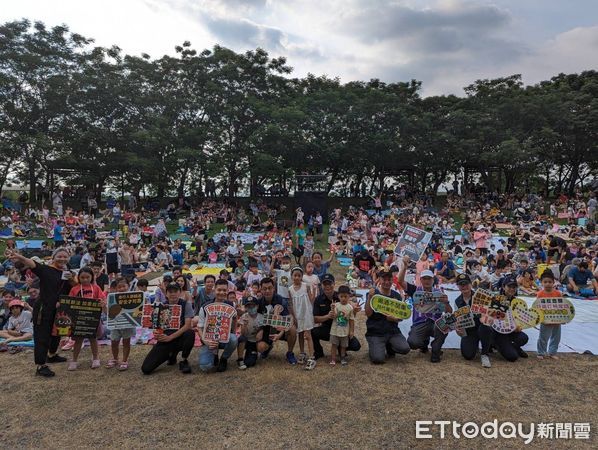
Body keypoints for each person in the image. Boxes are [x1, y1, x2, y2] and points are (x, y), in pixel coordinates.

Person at [7, 248, 74, 377]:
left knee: (57, 332)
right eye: (59, 256)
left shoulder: (67, 273)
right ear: (53, 257)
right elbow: (32, 263)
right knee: (42, 335)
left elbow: (72, 287)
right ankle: (40, 365)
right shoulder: (45, 270)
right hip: (44, 307)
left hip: (59, 308)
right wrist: (19, 257)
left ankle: (52, 355)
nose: (62, 259)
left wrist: (71, 279)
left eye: (65, 257)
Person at [141, 283, 195, 374]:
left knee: (190, 333)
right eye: (170, 292)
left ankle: (184, 360)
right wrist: (157, 333)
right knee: (146, 369)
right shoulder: (161, 306)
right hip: (165, 339)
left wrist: (171, 337)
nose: (173, 294)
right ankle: (171, 355)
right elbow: (156, 326)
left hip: (180, 337)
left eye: (175, 291)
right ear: (166, 294)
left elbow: (187, 325)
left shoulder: (186, 305)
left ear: (180, 292)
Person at [364, 263, 411, 364]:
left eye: (389, 279)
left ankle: (389, 346)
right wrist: (369, 298)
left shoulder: (397, 296)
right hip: (375, 332)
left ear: (392, 279)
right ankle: (374, 346)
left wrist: (394, 319)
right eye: (384, 279)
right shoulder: (373, 294)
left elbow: (401, 316)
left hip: (392, 331)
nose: (386, 282)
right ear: (379, 280)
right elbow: (368, 314)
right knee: (378, 359)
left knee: (405, 349)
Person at [402, 268, 452, 363]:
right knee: (412, 343)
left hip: (435, 323)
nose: (427, 281)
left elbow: (449, 312)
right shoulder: (415, 291)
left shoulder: (439, 292)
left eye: (429, 278)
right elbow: (400, 282)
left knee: (446, 324)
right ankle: (424, 343)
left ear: (433, 280)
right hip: (420, 323)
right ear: (420, 280)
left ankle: (435, 350)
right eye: (424, 278)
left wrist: (446, 303)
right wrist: (404, 266)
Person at [67, 267, 107, 370]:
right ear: (78, 277)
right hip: (79, 319)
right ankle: (74, 360)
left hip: (93, 318)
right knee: (78, 340)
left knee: (93, 339)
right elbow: (69, 302)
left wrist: (102, 303)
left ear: (92, 277)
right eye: (82, 277)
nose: (85, 279)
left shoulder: (96, 288)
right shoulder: (74, 289)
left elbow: (103, 299)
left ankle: (96, 358)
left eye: (87, 277)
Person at [196, 279, 238, 373]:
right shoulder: (205, 307)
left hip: (224, 337)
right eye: (219, 290)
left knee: (234, 339)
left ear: (227, 291)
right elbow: (199, 327)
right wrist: (206, 341)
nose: (222, 292)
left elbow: (235, 318)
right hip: (210, 339)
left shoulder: (231, 304)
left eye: (224, 290)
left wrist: (233, 332)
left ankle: (224, 358)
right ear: (214, 290)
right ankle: (214, 355)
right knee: (205, 366)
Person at [453, 273, 493, 368]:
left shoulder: (480, 296)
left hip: (482, 327)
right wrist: (458, 328)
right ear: (458, 286)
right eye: (461, 284)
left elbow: (489, 314)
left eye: (466, 283)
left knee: (485, 328)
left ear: (471, 284)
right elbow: (459, 321)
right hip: (469, 331)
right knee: (468, 355)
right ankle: (476, 345)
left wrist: (486, 317)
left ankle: (485, 354)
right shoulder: (457, 301)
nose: (464, 286)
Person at [256, 277, 298, 364]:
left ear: (274, 288)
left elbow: (288, 322)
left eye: (270, 288)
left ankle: (290, 353)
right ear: (261, 289)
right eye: (265, 288)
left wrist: (279, 334)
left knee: (292, 329)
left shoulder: (281, 300)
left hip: (280, 328)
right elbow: (258, 320)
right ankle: (268, 346)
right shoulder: (259, 303)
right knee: (260, 345)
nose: (267, 291)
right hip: (267, 329)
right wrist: (260, 331)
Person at [288, 266, 317, 370]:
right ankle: (302, 352)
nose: (296, 277)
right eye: (295, 275)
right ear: (291, 276)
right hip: (297, 315)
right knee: (300, 334)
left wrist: (314, 290)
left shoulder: (306, 286)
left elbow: (311, 299)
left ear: (301, 277)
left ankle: (312, 356)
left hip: (306, 314)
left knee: (308, 335)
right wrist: (293, 316)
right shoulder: (290, 289)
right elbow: (290, 304)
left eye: (299, 275)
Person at [106, 277, 135, 371]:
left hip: (128, 323)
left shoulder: (134, 297)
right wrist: (103, 307)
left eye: (124, 286)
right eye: (119, 287)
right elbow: (107, 313)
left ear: (128, 286)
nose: (122, 289)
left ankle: (124, 360)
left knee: (126, 342)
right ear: (116, 288)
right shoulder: (112, 298)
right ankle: (115, 358)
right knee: (114, 341)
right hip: (115, 323)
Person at [536, 270, 562, 360]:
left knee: (556, 337)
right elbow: (537, 307)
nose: (547, 284)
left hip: (556, 319)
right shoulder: (540, 294)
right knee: (543, 337)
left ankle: (552, 352)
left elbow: (562, 306)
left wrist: (563, 318)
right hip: (545, 320)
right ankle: (541, 352)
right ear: (542, 283)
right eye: (545, 282)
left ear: (553, 282)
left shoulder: (558, 293)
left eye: (550, 282)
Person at [329, 285, 355, 366]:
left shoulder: (350, 308)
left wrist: (351, 331)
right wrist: (332, 308)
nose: (343, 298)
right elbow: (334, 316)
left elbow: (351, 320)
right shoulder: (336, 305)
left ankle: (342, 358)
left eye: (345, 296)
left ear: (349, 296)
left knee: (343, 346)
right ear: (338, 296)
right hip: (335, 330)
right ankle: (333, 359)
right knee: (334, 345)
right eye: (341, 296)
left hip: (345, 331)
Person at [236, 297, 263, 370]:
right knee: (241, 338)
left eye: (253, 306)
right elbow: (243, 334)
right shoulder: (244, 316)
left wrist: (260, 331)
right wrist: (244, 325)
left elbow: (263, 330)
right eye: (248, 306)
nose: (251, 308)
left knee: (250, 363)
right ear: (245, 308)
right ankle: (240, 359)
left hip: (255, 342)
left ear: (257, 306)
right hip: (246, 341)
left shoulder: (261, 317)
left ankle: (254, 352)